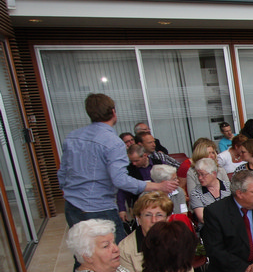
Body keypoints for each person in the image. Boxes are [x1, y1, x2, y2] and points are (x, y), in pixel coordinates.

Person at [58, 93, 176, 241]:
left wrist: (72, 193)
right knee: (114, 251)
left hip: (72, 206)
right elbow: (120, 180)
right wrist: (157, 186)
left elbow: (62, 174)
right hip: (99, 208)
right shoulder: (113, 142)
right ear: (113, 112)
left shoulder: (72, 137)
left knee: (84, 251)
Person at [118, 191, 198, 272]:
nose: (154, 220)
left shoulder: (177, 240)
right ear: (139, 218)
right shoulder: (125, 248)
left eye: (159, 215)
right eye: (148, 215)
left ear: (167, 218)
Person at [189, 158, 232, 223]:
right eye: (198, 174)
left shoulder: (230, 187)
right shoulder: (196, 193)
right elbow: (202, 218)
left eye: (202, 174)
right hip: (210, 227)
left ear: (214, 174)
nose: (199, 178)